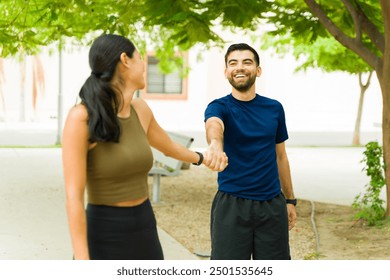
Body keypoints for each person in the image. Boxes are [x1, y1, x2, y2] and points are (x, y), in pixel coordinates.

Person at [62, 34, 226, 260]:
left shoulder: (140, 110)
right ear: (125, 60)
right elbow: (73, 197)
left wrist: (202, 158)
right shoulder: (81, 118)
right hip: (103, 231)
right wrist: (83, 262)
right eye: (140, 58)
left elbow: (169, 148)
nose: (145, 66)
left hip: (144, 226)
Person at [203, 43, 297, 260]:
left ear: (258, 70)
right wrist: (215, 144)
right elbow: (214, 125)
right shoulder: (219, 106)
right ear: (226, 71)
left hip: (272, 205)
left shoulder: (274, 108)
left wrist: (290, 201)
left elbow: (280, 156)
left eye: (247, 62)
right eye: (233, 63)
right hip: (231, 205)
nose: (240, 67)